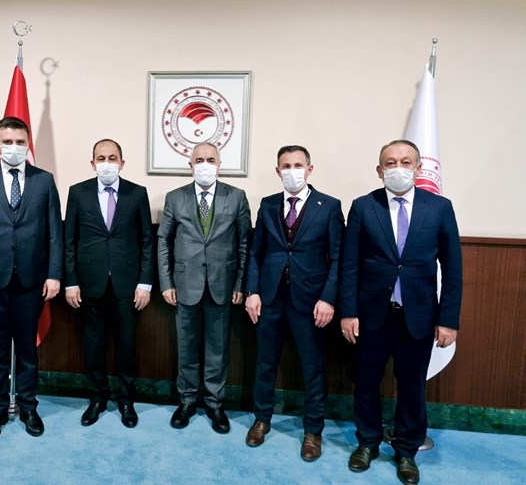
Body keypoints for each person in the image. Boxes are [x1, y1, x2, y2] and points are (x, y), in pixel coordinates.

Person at [340, 140, 462, 484]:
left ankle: (407, 451)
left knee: (411, 385)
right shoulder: (363, 206)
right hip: (371, 315)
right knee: (366, 381)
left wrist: (448, 320)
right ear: (379, 171)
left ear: (418, 168)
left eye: (405, 162)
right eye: (390, 163)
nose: (398, 168)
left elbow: (453, 267)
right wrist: (348, 312)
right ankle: (367, 442)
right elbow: (349, 265)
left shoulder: (439, 208)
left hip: (419, 315)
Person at [0, 116, 63, 443]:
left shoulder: (44, 181)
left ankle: (29, 408)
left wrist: (54, 274)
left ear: (28, 144)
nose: (14, 147)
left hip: (32, 281)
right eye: (7, 142)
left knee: (28, 351)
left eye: (19, 142)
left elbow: (55, 234)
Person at [244, 145, 344, 461]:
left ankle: (313, 430)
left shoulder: (329, 206)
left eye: (298, 165)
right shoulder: (268, 204)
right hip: (270, 298)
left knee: (312, 367)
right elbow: (256, 252)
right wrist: (252, 291)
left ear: (309, 169)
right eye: (286, 166)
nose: (292, 171)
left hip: (311, 301)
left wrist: (328, 298)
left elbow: (338, 258)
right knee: (265, 363)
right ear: (278, 171)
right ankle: (262, 419)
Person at [158, 142, 251, 434]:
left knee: (217, 348)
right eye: (199, 160)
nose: (205, 164)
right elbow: (163, 241)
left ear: (219, 164)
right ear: (191, 165)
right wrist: (166, 282)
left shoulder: (236, 197)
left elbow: (244, 243)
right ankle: (187, 400)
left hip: (223, 286)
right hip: (184, 285)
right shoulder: (175, 198)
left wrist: (240, 283)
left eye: (211, 159)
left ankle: (214, 403)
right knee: (186, 346)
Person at [64, 139, 153, 428]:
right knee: (93, 345)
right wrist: (70, 282)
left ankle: (126, 400)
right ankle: (97, 399)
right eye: (101, 158)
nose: (106, 163)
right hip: (89, 284)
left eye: (112, 158)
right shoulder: (78, 192)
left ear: (122, 163)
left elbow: (147, 241)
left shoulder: (137, 193)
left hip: (128, 286)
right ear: (92, 163)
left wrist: (145, 283)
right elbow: (69, 241)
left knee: (127, 345)